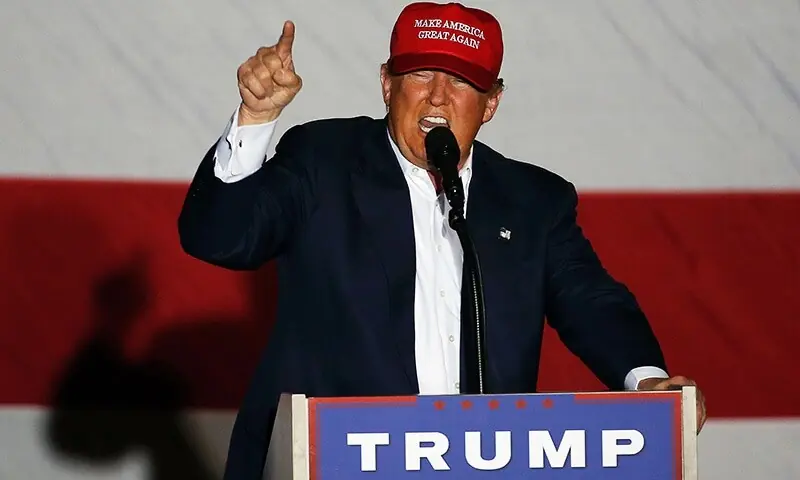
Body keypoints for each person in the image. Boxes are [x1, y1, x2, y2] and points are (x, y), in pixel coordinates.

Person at [178, 2, 706, 478]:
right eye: (421, 73)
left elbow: (592, 300)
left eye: (460, 81)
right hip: (329, 463)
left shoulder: (533, 200)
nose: (437, 96)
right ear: (387, 83)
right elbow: (219, 238)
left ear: (491, 102)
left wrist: (647, 383)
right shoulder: (324, 159)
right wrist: (255, 119)